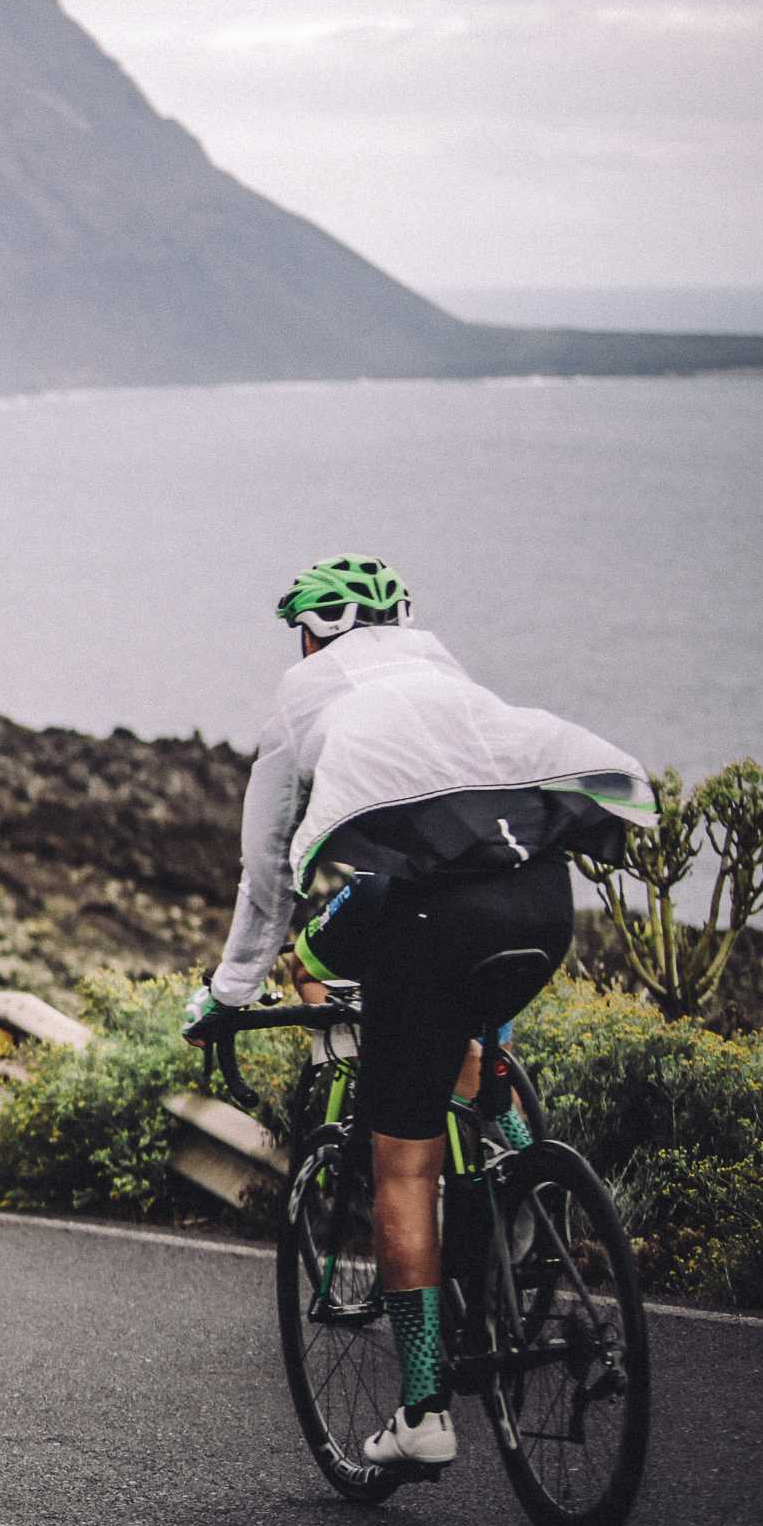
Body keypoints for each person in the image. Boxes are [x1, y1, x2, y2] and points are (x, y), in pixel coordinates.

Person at [183, 558, 650, 1478]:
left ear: (315, 631)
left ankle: (425, 1406)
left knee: (403, 1160)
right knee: (468, 1045)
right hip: (545, 904)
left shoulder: (301, 698)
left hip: (438, 920)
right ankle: (520, 1187)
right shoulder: (445, 673)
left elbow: (269, 872)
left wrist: (229, 993)